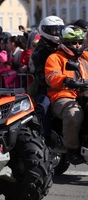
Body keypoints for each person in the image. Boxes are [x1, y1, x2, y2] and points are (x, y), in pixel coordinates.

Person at [45, 26, 88, 164]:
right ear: (65, 43)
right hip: (62, 95)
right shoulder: (55, 58)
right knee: (74, 114)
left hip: (84, 93)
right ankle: (72, 150)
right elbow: (52, 76)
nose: (77, 45)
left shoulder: (85, 57)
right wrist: (66, 80)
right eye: (74, 42)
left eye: (80, 42)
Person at [31, 15, 65, 143]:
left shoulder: (62, 46)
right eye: (53, 30)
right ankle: (46, 136)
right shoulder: (39, 52)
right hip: (45, 87)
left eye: (59, 29)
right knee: (44, 105)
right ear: (45, 30)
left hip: (63, 84)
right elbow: (43, 77)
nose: (57, 33)